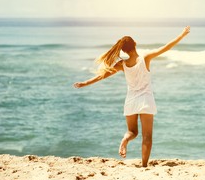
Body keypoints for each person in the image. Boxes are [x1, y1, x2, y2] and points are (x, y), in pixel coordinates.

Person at [73, 26, 190, 167]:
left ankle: (125, 139)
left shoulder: (122, 64)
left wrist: (85, 83)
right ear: (135, 44)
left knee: (132, 132)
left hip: (131, 101)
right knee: (147, 137)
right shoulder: (145, 58)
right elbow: (166, 47)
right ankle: (144, 165)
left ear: (123, 50)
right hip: (146, 100)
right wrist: (182, 34)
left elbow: (102, 76)